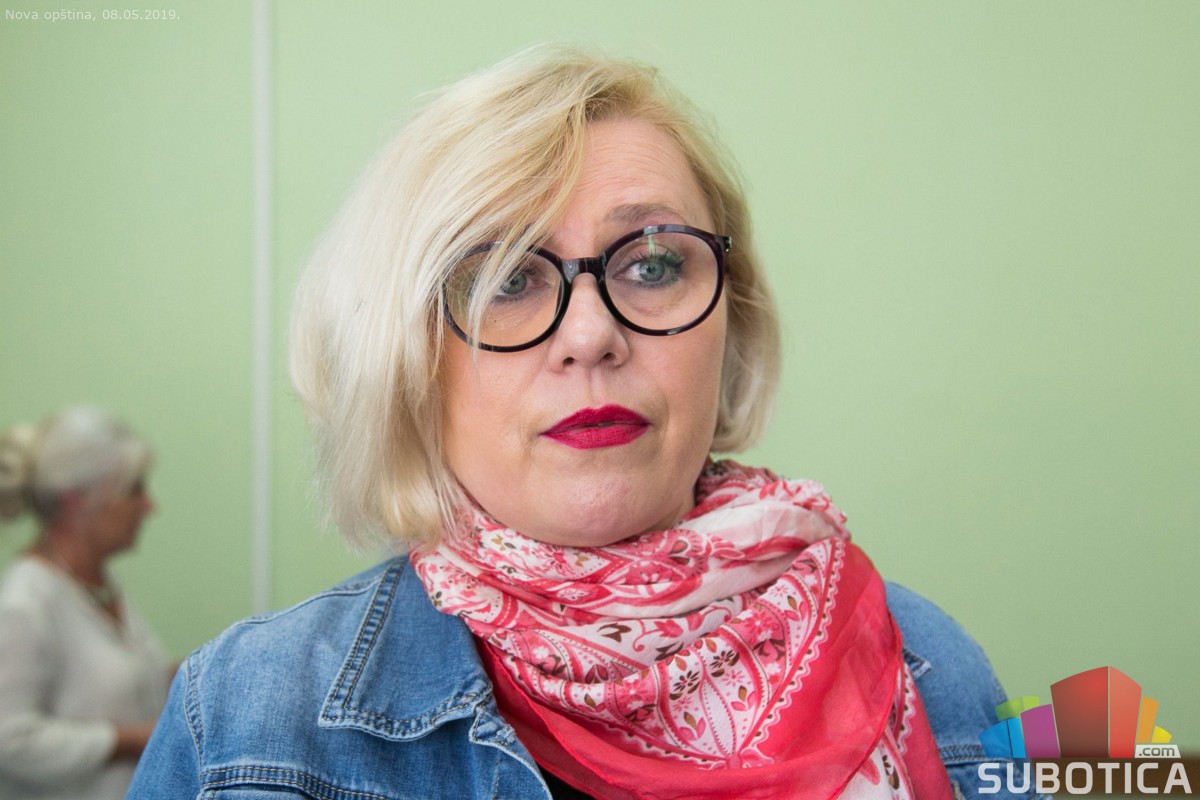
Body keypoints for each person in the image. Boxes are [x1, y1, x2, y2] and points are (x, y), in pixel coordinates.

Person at [129, 47, 1036, 799]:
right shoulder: (250, 719)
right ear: (401, 354)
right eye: (507, 280)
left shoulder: (932, 667)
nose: (591, 335)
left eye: (653, 264)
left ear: (734, 316)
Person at [0, 406, 170, 800]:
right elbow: (8, 738)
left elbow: (114, 681)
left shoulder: (98, 585)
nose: (149, 506)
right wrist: (126, 741)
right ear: (78, 500)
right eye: (134, 489)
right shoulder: (25, 602)